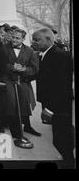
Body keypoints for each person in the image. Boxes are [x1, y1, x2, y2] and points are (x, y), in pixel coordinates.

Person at [32, 28, 74, 163]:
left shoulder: (59, 56)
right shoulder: (46, 54)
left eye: (36, 39)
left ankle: (68, 162)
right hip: (56, 106)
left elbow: (62, 86)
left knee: (61, 140)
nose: (33, 42)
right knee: (62, 139)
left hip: (59, 107)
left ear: (49, 40)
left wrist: (50, 109)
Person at [0, 29, 40, 139]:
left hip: (22, 80)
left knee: (24, 102)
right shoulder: (4, 48)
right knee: (11, 102)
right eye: (13, 37)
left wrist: (24, 69)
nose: (14, 40)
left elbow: (35, 69)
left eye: (17, 38)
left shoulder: (30, 51)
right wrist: (12, 67)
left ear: (23, 39)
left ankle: (27, 126)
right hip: (8, 79)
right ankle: (13, 130)